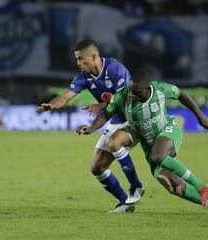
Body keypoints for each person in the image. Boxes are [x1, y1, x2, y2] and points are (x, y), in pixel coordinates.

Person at [77, 68, 208, 217]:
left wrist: (200, 116)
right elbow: (106, 114)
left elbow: (181, 95)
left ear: (148, 89)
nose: (132, 94)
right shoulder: (122, 96)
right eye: (131, 90)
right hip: (149, 146)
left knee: (158, 155)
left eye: (137, 92)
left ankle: (203, 187)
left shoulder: (161, 90)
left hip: (167, 131)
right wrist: (91, 129)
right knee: (176, 188)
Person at [37, 39, 144, 213]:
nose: (78, 63)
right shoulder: (84, 77)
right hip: (115, 119)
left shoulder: (115, 68)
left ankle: (137, 186)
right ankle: (126, 203)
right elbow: (65, 96)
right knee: (97, 167)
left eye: (81, 59)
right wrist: (52, 105)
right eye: (77, 59)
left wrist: (100, 106)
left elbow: (124, 98)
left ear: (94, 57)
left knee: (114, 142)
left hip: (134, 117)